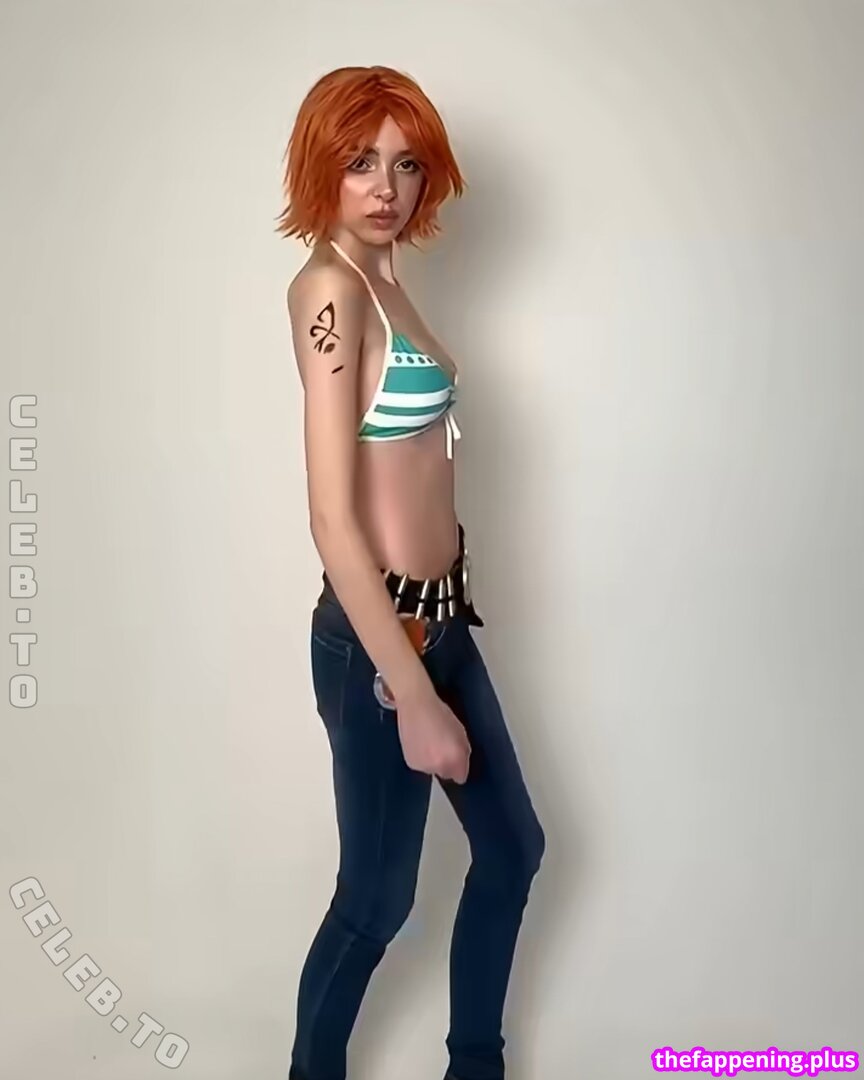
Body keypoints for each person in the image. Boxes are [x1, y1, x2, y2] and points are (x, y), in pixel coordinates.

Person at [275, 65, 545, 1080]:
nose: (385, 187)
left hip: (444, 622)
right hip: (380, 641)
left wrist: (443, 641)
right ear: (320, 167)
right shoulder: (330, 292)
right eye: (359, 162)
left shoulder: (385, 281)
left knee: (512, 850)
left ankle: (477, 1066)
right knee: (376, 901)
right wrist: (413, 692)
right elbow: (333, 519)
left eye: (405, 164)